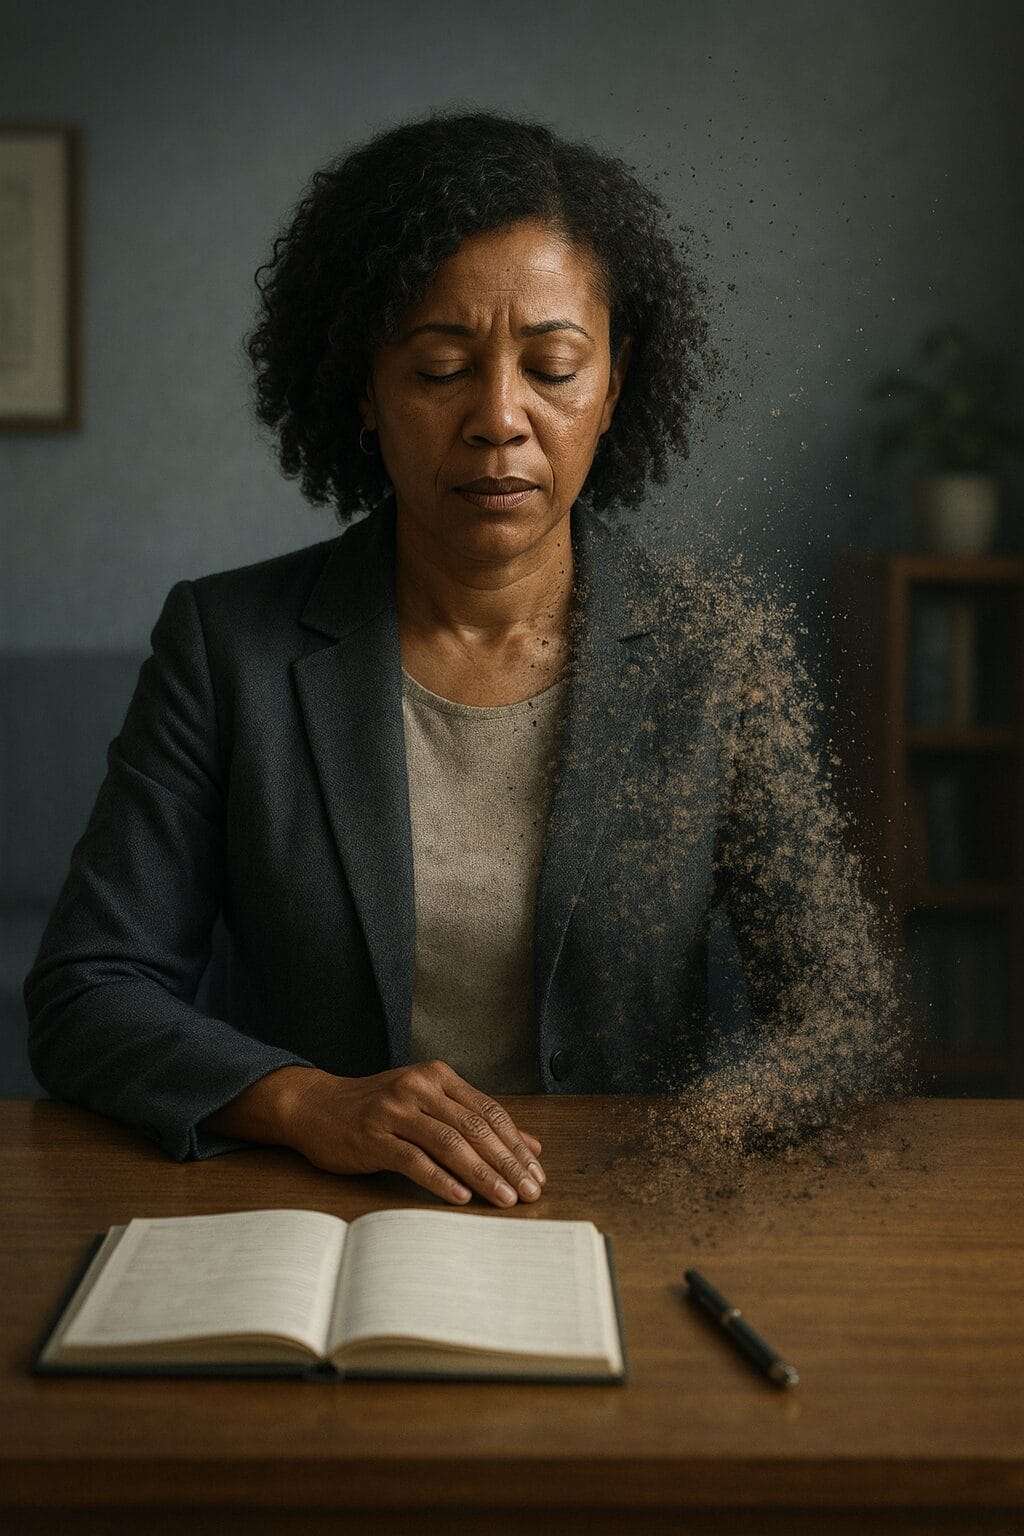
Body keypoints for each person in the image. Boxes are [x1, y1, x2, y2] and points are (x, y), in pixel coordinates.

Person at [24, 108, 908, 1211]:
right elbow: (88, 992)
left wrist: (684, 1143)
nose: (499, 417)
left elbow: (839, 1017)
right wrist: (309, 1102)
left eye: (552, 367)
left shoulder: (711, 654)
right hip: (314, 1219)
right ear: (363, 390)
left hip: (621, 1214)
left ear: (615, 385)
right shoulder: (227, 646)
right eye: (440, 367)